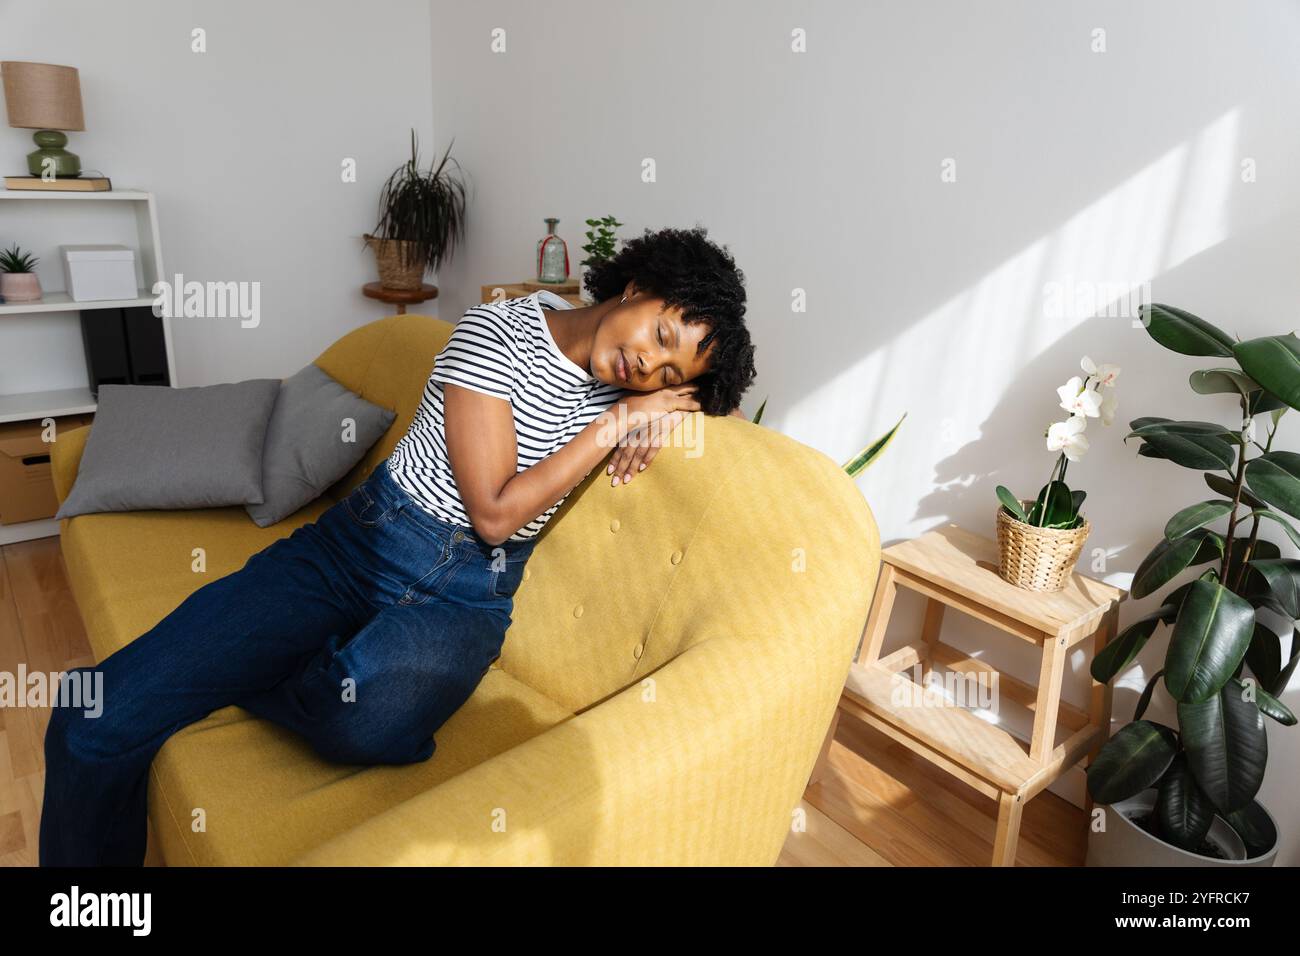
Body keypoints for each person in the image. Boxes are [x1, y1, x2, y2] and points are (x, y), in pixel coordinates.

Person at [39, 224, 757, 866]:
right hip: (359, 549)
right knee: (91, 721)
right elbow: (495, 511)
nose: (648, 369)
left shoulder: (631, 394)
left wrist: (673, 412)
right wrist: (619, 422)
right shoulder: (497, 333)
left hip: (469, 596)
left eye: (671, 375)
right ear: (636, 287)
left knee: (363, 722)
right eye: (661, 337)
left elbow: (502, 538)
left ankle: (269, 665)